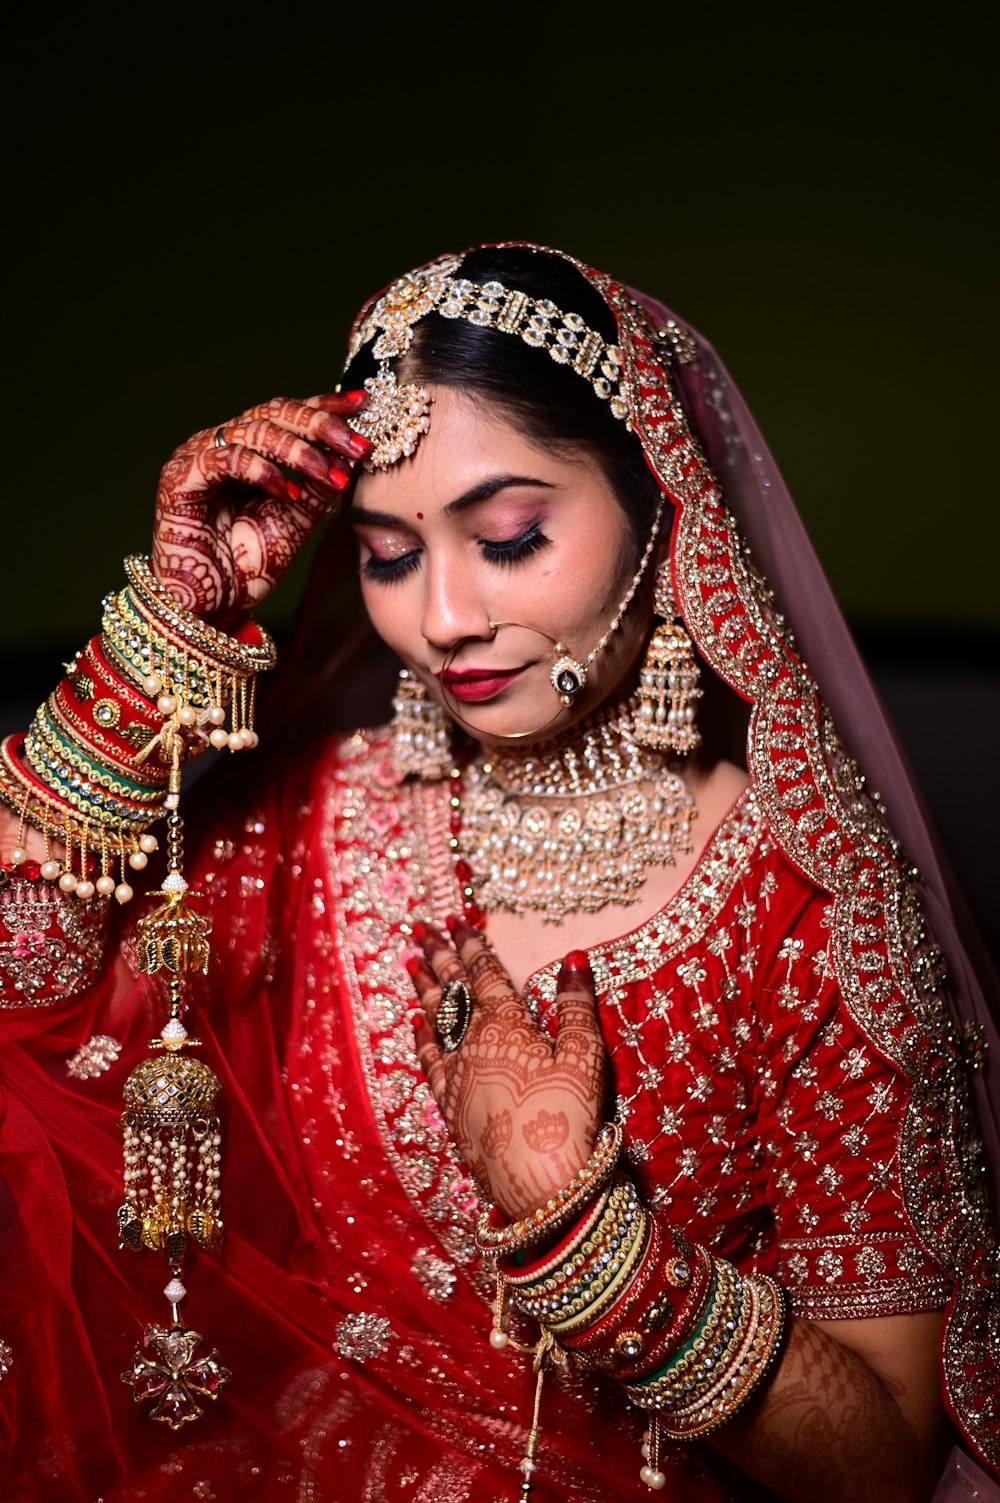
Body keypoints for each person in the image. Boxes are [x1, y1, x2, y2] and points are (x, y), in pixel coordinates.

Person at [0, 243, 996, 1503]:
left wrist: (585, 1241)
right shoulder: (331, 810)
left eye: (511, 536)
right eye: (388, 554)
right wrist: (166, 639)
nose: (446, 617)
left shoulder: (806, 906)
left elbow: (885, 1461)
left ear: (659, 509)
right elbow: (25, 1002)